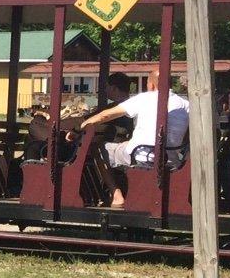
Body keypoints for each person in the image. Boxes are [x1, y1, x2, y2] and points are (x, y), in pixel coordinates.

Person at [80, 71, 189, 207]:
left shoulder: (145, 98)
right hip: (171, 159)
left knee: (98, 148)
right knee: (126, 144)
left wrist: (83, 125)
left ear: (152, 84)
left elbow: (105, 116)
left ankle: (116, 195)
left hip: (142, 155)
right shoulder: (185, 105)